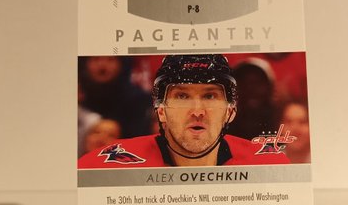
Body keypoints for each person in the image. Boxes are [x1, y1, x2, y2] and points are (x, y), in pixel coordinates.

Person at [78, 54, 290, 168]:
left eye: (210, 96)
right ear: (160, 110)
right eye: (182, 96)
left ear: (230, 111)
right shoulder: (100, 166)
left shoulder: (269, 166)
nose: (197, 111)